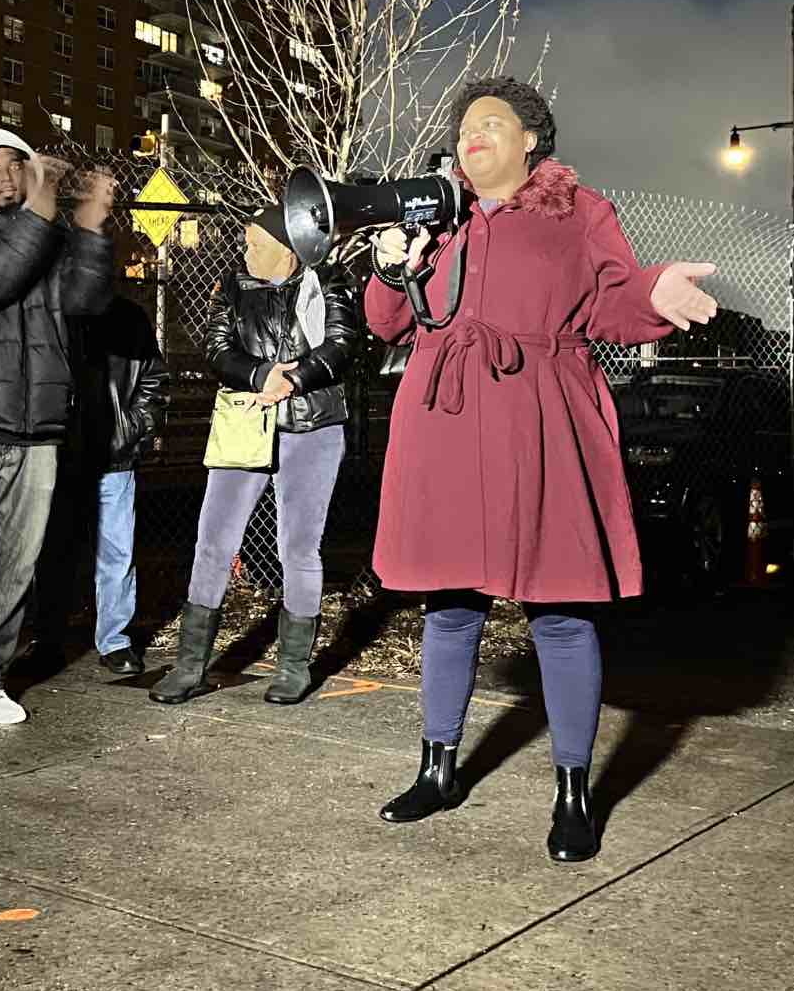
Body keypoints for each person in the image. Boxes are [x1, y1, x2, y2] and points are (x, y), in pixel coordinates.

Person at [366, 78, 717, 862]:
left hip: (542, 415)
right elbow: (388, 323)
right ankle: (438, 767)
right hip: (446, 418)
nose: (471, 136)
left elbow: (615, 302)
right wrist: (394, 265)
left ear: (532, 140)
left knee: (560, 607)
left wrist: (654, 288)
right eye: (462, 128)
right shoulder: (435, 216)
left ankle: (572, 791)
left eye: (491, 123)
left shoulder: (579, 212)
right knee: (448, 601)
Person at [0, 129, 116, 725]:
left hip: (39, 426)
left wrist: (87, 226)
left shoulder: (49, 233)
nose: (8, 178)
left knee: (17, 563)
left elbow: (85, 301)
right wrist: (41, 213)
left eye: (18, 165)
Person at [151, 205, 363, 706]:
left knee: (298, 548)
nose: (244, 252)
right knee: (213, 542)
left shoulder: (329, 280)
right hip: (246, 420)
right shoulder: (233, 284)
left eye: (255, 244)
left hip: (311, 424)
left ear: (287, 249)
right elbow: (216, 346)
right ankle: (190, 665)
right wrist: (258, 376)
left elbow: (342, 344)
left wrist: (294, 379)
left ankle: (293, 667)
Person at [60, 290, 167, 677]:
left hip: (113, 454)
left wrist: (131, 427)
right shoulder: (56, 305)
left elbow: (153, 380)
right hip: (59, 450)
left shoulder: (128, 316)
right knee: (52, 548)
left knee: (117, 551)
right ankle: (48, 633)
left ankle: (115, 639)